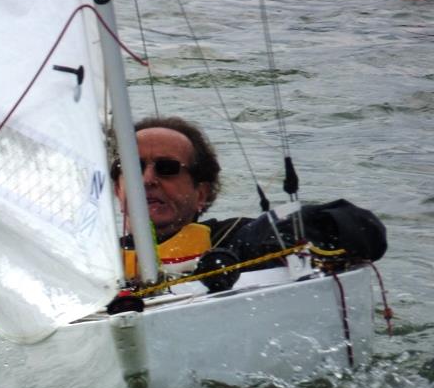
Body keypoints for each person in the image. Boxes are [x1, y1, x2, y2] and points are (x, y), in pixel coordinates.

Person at [112, 116, 386, 281]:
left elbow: (363, 228)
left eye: (167, 168)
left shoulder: (237, 239)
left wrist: (293, 234)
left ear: (202, 194)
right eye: (132, 168)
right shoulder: (91, 261)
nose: (146, 180)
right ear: (116, 189)